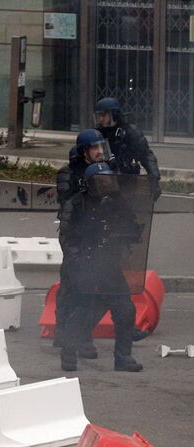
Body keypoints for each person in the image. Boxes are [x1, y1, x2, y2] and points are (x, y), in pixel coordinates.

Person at [59, 163, 143, 373]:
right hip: (88, 266)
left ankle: (123, 358)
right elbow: (67, 238)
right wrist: (79, 262)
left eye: (109, 179)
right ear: (91, 183)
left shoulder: (115, 203)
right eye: (102, 180)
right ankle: (69, 350)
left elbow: (133, 229)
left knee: (125, 310)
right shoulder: (77, 204)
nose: (106, 184)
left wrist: (122, 207)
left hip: (110, 265)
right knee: (86, 311)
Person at [55, 131, 108, 359]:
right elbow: (68, 199)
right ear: (84, 150)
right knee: (71, 287)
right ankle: (65, 333)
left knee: (99, 290)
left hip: (97, 233)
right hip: (75, 233)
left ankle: (82, 334)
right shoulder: (68, 173)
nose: (100, 152)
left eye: (101, 147)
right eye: (95, 148)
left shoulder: (103, 168)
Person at [94, 97, 161, 200]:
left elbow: (146, 156)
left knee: (127, 211)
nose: (100, 119)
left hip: (127, 179)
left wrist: (154, 178)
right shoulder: (98, 133)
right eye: (99, 116)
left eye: (103, 115)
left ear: (114, 114)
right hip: (105, 179)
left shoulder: (130, 132)